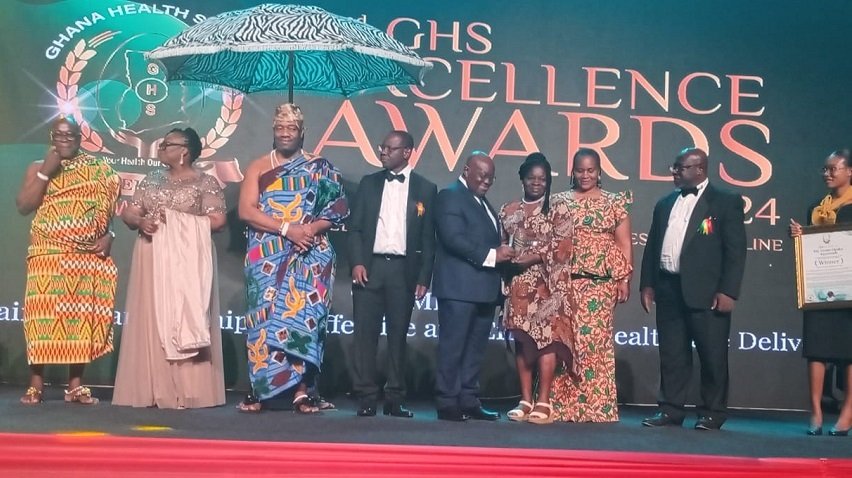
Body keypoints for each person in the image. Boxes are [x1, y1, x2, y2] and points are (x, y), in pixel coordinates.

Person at [237, 104, 348, 413]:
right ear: (273, 132)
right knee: (264, 319)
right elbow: (246, 211)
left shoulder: (319, 166)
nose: (285, 133)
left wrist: (308, 231)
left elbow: (335, 209)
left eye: (292, 129)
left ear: (302, 133)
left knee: (305, 319)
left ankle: (302, 390)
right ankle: (261, 389)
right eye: (280, 128)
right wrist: (288, 230)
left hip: (311, 255)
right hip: (267, 255)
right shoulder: (258, 166)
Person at [112, 127, 227, 409]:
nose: (161, 148)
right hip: (151, 253)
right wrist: (139, 222)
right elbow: (131, 212)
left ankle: (190, 390)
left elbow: (218, 220)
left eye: (167, 144)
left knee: (187, 314)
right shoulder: (151, 180)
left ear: (184, 151)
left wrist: (174, 221)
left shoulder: (205, 182)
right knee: (152, 315)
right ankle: (152, 387)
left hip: (189, 258)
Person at [639, 147, 746, 431]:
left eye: (680, 167)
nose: (674, 172)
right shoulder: (664, 204)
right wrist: (647, 284)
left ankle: (712, 412)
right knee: (672, 354)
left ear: (699, 169)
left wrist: (728, 291)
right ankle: (671, 410)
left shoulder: (725, 202)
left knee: (712, 355)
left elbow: (735, 251)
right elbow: (652, 246)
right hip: (669, 288)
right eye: (675, 167)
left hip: (708, 292)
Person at [15, 116, 119, 405]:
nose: (65, 139)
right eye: (59, 134)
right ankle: (36, 384)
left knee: (79, 318)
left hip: (85, 254)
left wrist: (109, 234)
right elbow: (24, 206)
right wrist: (46, 173)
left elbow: (107, 211)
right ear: (52, 136)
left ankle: (75, 386)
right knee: (42, 319)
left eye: (70, 134)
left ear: (79, 137)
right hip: (48, 252)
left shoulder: (99, 170)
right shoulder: (38, 167)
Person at [348, 130, 437, 418]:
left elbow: (427, 239)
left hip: (404, 271)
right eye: (382, 146)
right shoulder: (369, 183)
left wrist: (424, 277)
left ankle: (395, 398)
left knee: (398, 336)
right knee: (365, 335)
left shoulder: (426, 189)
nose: (382, 152)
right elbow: (357, 229)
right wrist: (357, 262)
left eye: (390, 148)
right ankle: (365, 396)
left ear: (407, 152)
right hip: (371, 268)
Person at [550, 148, 634, 422]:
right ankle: (561, 406)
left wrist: (624, 278)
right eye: (580, 170)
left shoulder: (614, 202)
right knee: (564, 343)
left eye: (590, 170)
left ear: (599, 172)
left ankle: (597, 407)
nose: (585, 175)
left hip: (600, 285)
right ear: (571, 171)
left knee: (595, 346)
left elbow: (623, 243)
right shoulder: (558, 201)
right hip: (564, 285)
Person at [432, 152, 515, 422]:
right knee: (453, 347)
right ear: (466, 170)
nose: (487, 181)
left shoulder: (482, 203)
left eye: (491, 177)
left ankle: (468, 399)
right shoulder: (450, 196)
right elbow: (453, 238)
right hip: (458, 290)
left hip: (483, 290)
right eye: (481, 175)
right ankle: (447, 401)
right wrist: (493, 255)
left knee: (475, 349)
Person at [499, 153, 579, 425]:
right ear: (522, 178)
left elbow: (563, 246)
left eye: (542, 179)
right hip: (517, 285)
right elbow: (501, 246)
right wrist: (509, 261)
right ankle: (524, 399)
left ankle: (543, 401)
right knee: (523, 341)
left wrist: (532, 257)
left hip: (547, 286)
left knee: (547, 343)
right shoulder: (507, 210)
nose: (536, 183)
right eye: (531, 178)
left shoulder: (559, 209)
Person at [789, 148, 852, 436]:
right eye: (825, 169)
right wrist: (800, 237)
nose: (827, 174)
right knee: (816, 349)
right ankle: (815, 411)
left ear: (849, 171)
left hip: (849, 288)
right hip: (819, 287)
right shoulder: (817, 207)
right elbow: (813, 249)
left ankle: (847, 412)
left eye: (833, 169)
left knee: (849, 352)